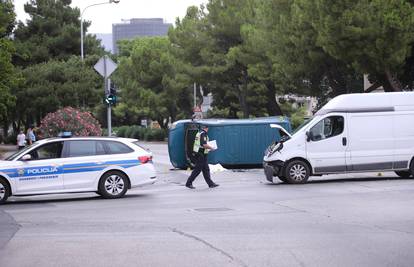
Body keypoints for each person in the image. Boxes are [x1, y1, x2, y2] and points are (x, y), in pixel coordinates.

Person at [185, 125, 219, 189]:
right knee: (197, 170)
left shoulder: (199, 133)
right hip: (200, 154)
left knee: (206, 169)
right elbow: (204, 145)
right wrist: (212, 148)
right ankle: (188, 183)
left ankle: (210, 184)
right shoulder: (203, 134)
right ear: (206, 128)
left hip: (201, 154)